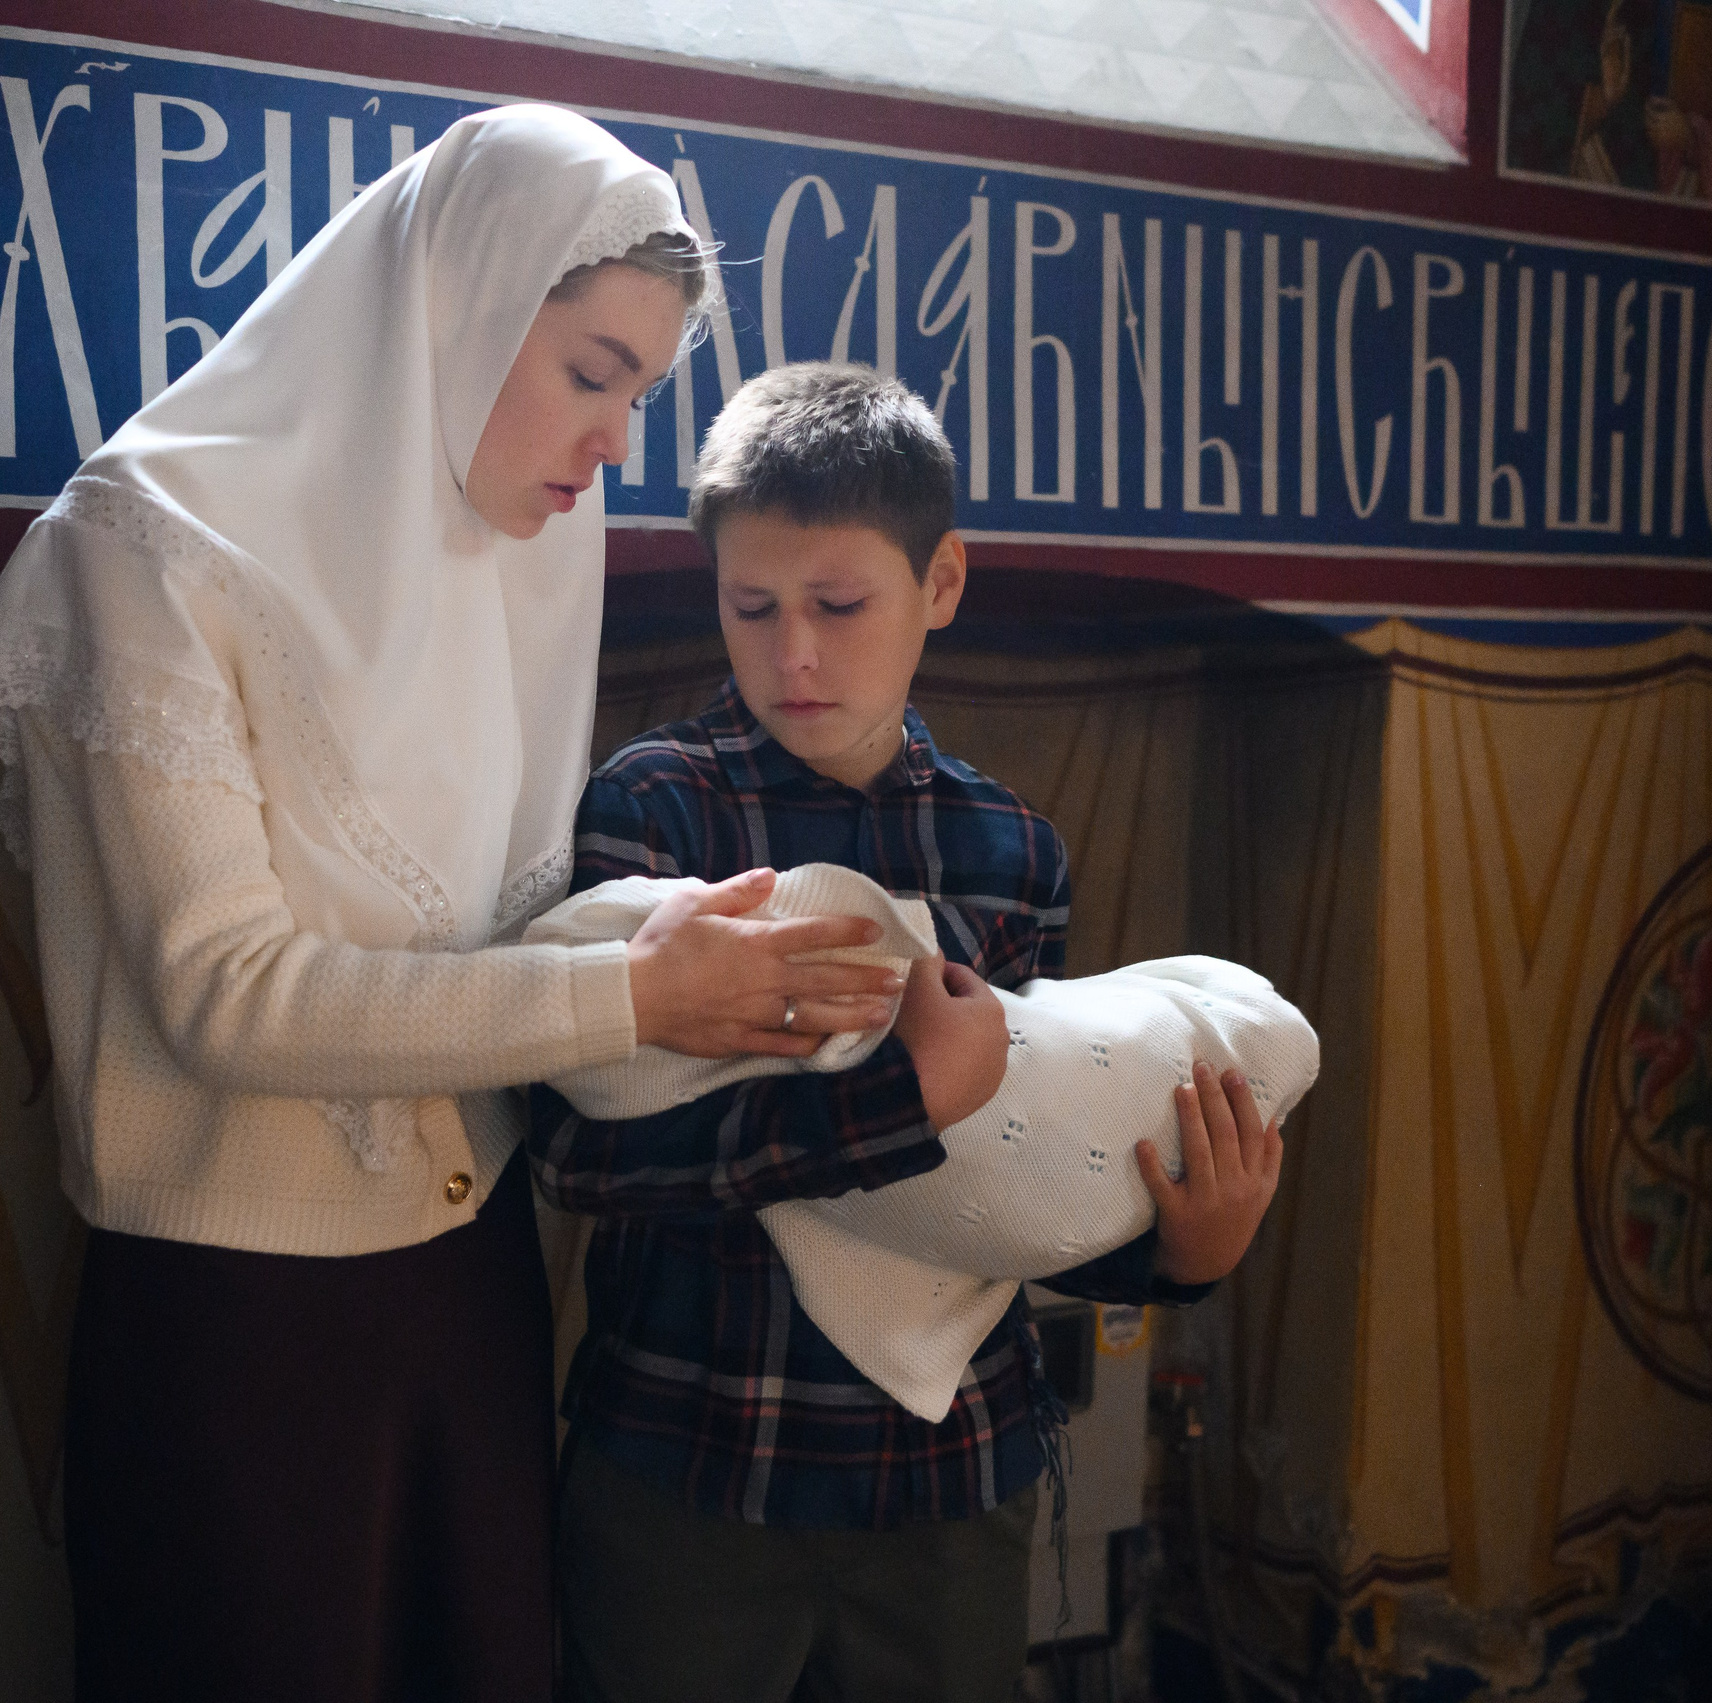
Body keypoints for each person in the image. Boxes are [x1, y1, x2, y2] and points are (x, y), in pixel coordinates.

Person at [0, 110, 903, 1703]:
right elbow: (224, 996)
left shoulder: (505, 555)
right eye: (592, 372)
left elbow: (490, 944)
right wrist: (636, 993)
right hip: (237, 1318)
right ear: (455, 301)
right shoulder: (149, 545)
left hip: (469, 1282)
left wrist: (693, 954)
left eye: (641, 397)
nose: (614, 444)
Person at [532, 363, 1286, 1703]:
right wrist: (891, 1101)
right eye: (751, 607)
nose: (794, 653)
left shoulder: (1010, 848)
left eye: (838, 604)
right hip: (689, 1472)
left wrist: (1180, 1258)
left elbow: (1018, 1178)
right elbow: (580, 1160)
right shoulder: (655, 816)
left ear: (940, 583)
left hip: (949, 1481)